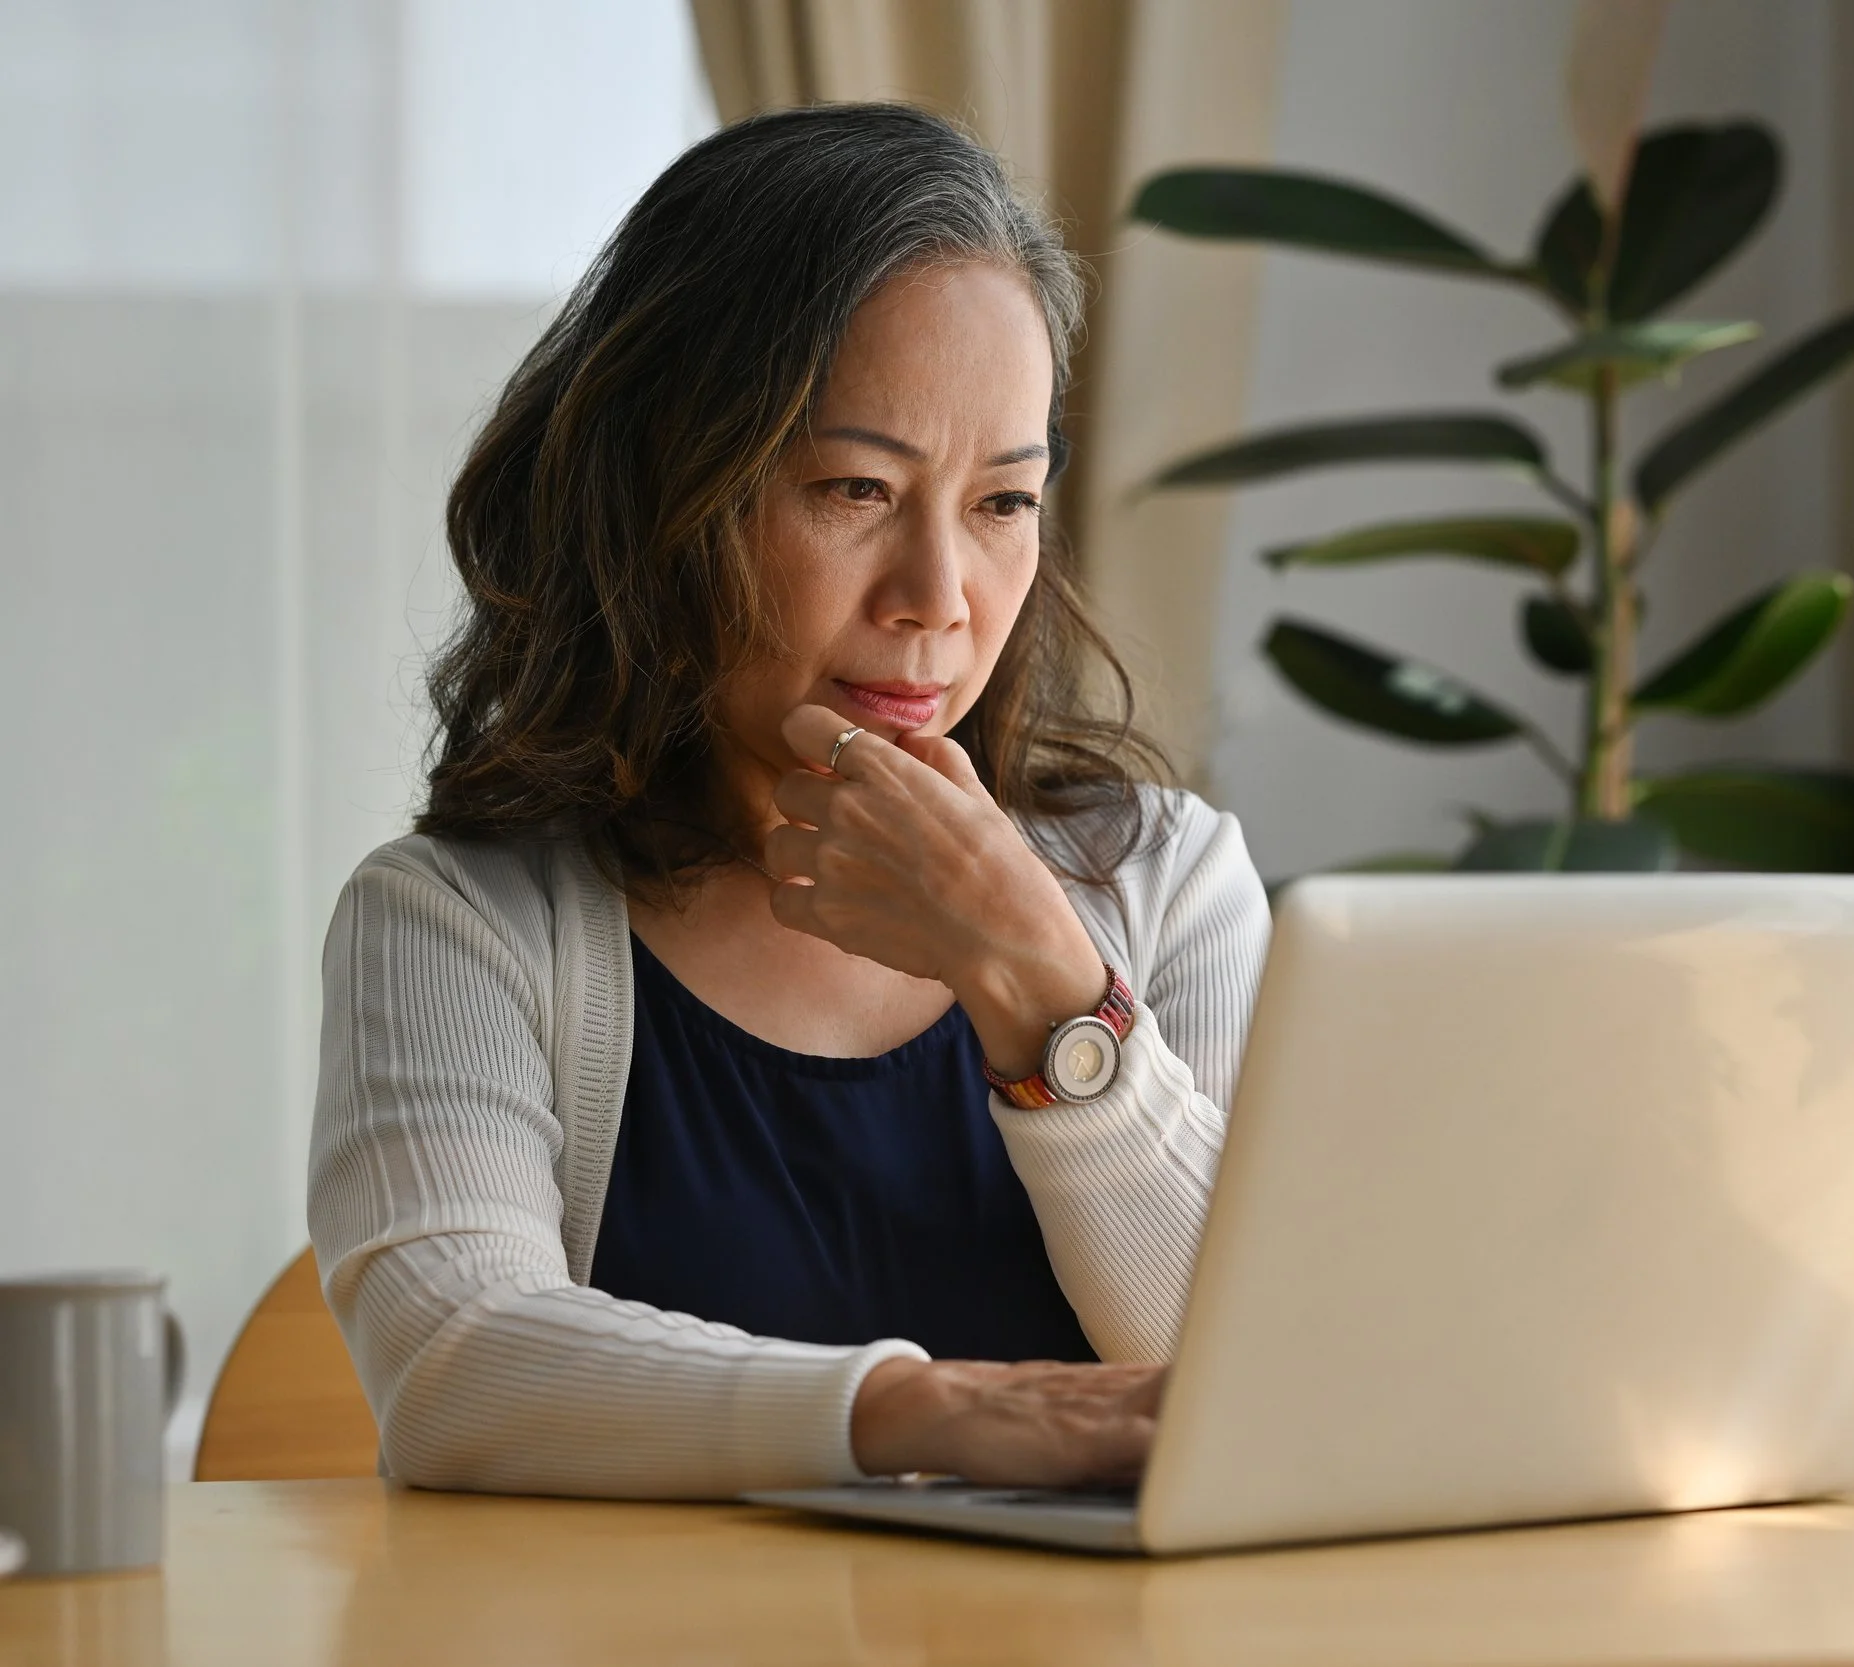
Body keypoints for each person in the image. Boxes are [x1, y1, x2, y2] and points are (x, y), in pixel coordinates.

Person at [307, 104, 1268, 1499]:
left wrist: (1045, 981)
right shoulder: (463, 922)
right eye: (856, 488)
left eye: (1003, 503)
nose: (939, 599)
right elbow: (456, 1361)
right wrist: (933, 1411)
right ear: (669, 497)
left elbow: (1249, 1376)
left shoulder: (1166, 881)